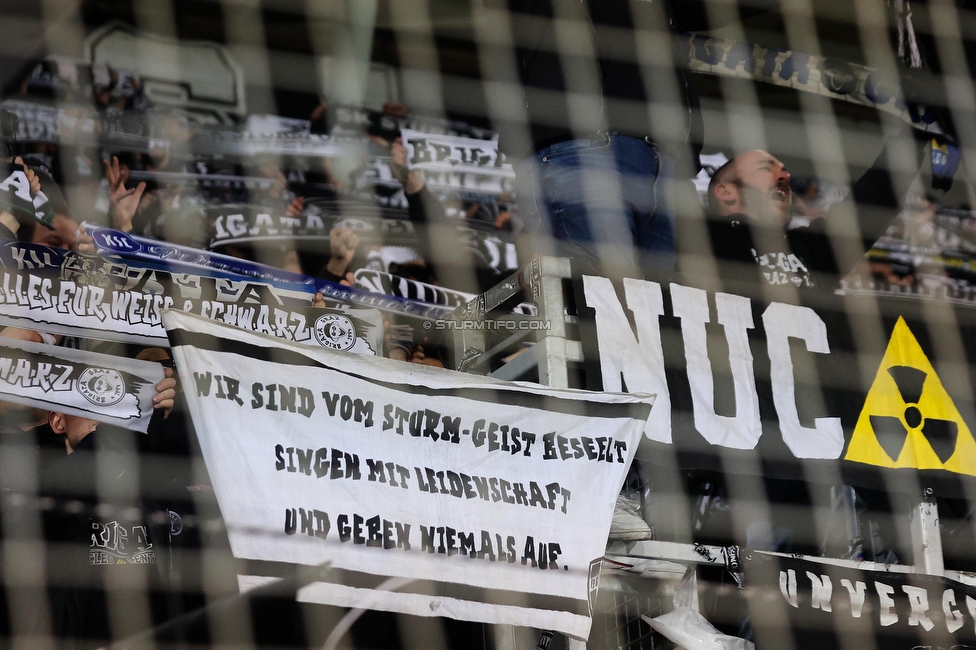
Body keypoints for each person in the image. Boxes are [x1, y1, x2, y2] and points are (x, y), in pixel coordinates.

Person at [705, 143, 922, 290]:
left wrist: (914, 138)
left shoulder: (808, 249)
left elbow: (866, 207)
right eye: (766, 169)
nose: (785, 176)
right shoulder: (704, 238)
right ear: (726, 192)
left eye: (784, 171)